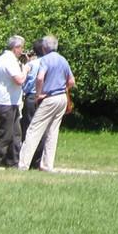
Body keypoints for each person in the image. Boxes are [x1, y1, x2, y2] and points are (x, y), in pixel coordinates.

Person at [18, 35, 74, 173]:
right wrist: (62, 87)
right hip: (62, 97)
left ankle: (23, 164)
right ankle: (47, 165)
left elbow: (40, 78)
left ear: (44, 48)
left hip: (49, 97)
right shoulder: (63, 60)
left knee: (33, 130)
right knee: (52, 132)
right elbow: (71, 81)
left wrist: (39, 94)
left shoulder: (45, 60)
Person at [0, 36, 26, 168]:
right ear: (16, 48)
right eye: (21, 48)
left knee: (15, 134)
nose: (22, 51)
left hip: (11, 102)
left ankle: (12, 162)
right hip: (6, 103)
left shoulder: (5, 59)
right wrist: (25, 70)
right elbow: (19, 80)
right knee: (4, 135)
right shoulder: (9, 60)